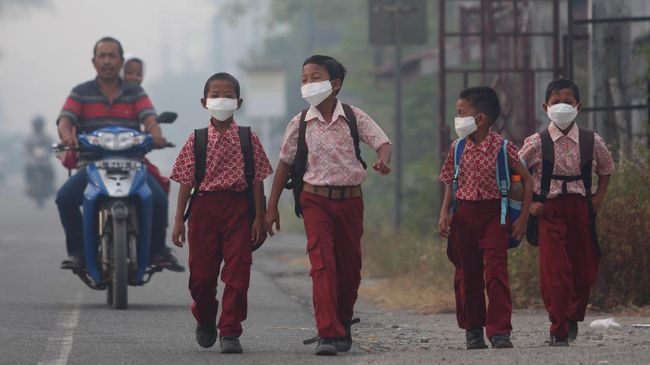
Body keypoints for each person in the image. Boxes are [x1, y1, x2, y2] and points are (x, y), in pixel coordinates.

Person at [265, 55, 392, 356]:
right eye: (304, 78)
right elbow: (283, 164)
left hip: (350, 201)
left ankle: (343, 321)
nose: (308, 83)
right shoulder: (299, 123)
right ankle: (327, 332)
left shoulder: (352, 116)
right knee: (322, 265)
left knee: (350, 268)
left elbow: (382, 142)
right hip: (314, 200)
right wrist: (272, 208)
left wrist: (383, 161)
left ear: (334, 84)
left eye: (315, 77)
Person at [55, 36, 181, 271]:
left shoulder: (135, 92)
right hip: (92, 166)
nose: (107, 61)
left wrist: (157, 135)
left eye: (112, 56)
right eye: (102, 56)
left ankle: (155, 252)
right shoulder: (80, 92)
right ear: (94, 62)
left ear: (121, 61)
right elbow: (65, 120)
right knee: (64, 198)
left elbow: (149, 118)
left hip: (132, 163)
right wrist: (66, 135)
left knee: (159, 198)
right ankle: (78, 252)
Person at [170, 72, 272, 353]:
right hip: (203, 210)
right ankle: (204, 317)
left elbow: (257, 179)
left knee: (238, 274)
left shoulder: (248, 138)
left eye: (228, 95)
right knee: (201, 277)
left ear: (239, 102)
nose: (222, 100)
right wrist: (179, 219)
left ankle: (230, 331)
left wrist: (259, 218)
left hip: (239, 209)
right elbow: (186, 181)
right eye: (216, 95)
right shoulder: (197, 139)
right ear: (204, 102)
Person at [519, 79, 614, 346]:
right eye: (555, 102)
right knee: (555, 271)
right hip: (550, 211)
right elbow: (515, 172)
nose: (562, 107)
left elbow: (606, 169)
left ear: (578, 106)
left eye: (568, 102)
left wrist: (598, 198)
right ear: (545, 106)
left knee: (584, 270)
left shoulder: (591, 140)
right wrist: (529, 205)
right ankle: (558, 328)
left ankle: (572, 316)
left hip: (581, 209)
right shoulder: (536, 142)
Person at [438, 86, 533, 350]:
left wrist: (523, 218)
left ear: (479, 119)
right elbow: (450, 181)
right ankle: (473, 330)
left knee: (496, 274)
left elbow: (526, 180)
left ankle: (500, 331)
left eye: (461, 113)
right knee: (467, 275)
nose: (457, 119)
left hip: (495, 215)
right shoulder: (457, 148)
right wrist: (444, 213)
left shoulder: (504, 148)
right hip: (464, 215)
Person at [25, 115, 55, 200]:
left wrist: (54, 150)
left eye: (39, 125)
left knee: (51, 170)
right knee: (27, 169)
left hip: (45, 159)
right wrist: (27, 154)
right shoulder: (30, 137)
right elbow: (26, 147)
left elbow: (52, 146)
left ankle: (52, 186)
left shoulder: (47, 137)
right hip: (33, 159)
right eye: (36, 125)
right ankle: (29, 186)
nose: (38, 126)